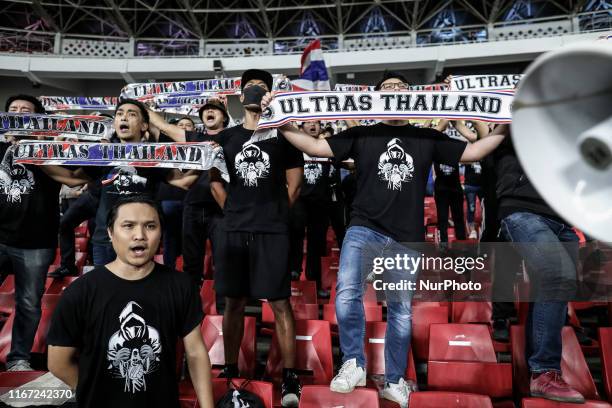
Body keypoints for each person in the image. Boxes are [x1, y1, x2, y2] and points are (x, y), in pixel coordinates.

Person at [262, 71, 508, 407]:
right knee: (347, 292)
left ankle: (395, 380)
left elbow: (477, 150)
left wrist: (507, 118)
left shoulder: (427, 138)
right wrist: (280, 119)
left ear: (413, 97)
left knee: (401, 311)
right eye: (387, 89)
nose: (394, 92)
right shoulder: (362, 133)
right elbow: (315, 145)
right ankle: (353, 363)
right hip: (364, 228)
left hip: (407, 237)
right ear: (376, 99)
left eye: (401, 88)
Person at [47, 196, 214, 408]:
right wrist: (94, 391)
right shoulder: (80, 292)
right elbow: (58, 362)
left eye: (150, 226)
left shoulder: (180, 286)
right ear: (110, 232)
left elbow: (195, 353)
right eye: (128, 226)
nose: (140, 235)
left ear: (161, 232)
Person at [209, 69, 303, 407]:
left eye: (261, 87)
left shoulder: (284, 136)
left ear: (269, 95)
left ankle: (291, 376)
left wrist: (273, 214)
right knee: (232, 302)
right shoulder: (226, 137)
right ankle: (231, 367)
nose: (254, 91)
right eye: (250, 86)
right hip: (234, 230)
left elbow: (295, 184)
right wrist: (234, 211)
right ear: (239, 93)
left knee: (279, 303)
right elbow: (216, 181)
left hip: (272, 230)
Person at [493, 127, 585, 403]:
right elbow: (486, 133)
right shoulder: (510, 127)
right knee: (558, 275)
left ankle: (532, 371)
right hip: (522, 211)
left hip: (561, 218)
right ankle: (544, 371)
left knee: (554, 285)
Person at [0, 95, 90, 371]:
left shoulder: (51, 151)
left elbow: (75, 179)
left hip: (35, 242)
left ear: (38, 121)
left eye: (25, 111)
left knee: (28, 303)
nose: (18, 114)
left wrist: (35, 153)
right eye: (13, 110)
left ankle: (18, 359)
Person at [148, 100, 229, 286]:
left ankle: (224, 310)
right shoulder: (194, 137)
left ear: (224, 117)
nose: (209, 111)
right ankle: (191, 309)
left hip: (222, 208)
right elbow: (163, 126)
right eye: (205, 110)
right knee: (191, 263)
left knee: (224, 262)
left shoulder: (234, 136)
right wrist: (142, 107)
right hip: (192, 205)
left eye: (215, 109)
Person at [288, 121, 332, 296]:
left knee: (317, 244)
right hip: (299, 200)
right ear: (300, 128)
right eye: (309, 123)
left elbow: (349, 164)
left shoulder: (327, 147)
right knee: (294, 235)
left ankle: (314, 282)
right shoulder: (294, 147)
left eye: (317, 123)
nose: (313, 126)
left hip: (320, 203)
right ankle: (293, 272)